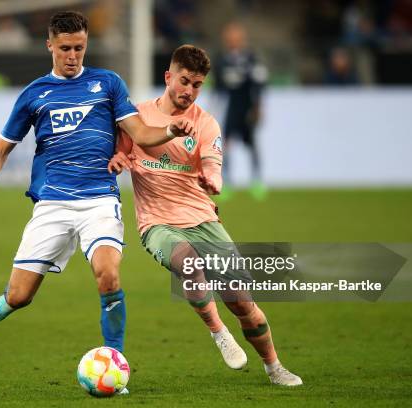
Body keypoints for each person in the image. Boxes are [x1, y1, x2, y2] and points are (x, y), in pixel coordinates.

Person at [0, 11, 194, 358]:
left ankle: (115, 359)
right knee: (22, 295)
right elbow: (2, 148)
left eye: (79, 48)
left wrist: (171, 129)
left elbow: (140, 133)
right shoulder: (34, 95)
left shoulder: (108, 83)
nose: (72, 56)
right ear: (49, 45)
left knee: (108, 275)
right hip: (52, 202)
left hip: (99, 199)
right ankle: (11, 299)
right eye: (65, 48)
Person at [108, 44, 302, 386]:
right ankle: (218, 332)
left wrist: (211, 180)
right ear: (169, 77)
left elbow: (214, 169)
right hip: (158, 224)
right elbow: (122, 150)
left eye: (197, 85)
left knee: (242, 302)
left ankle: (274, 367)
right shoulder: (137, 117)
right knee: (188, 264)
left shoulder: (206, 124)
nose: (189, 91)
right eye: (184, 81)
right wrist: (120, 160)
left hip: (203, 220)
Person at [214, 22, 268, 200]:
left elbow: (259, 83)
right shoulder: (222, 60)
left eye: (236, 37)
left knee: (251, 145)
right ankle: (227, 182)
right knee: (226, 145)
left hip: (247, 107)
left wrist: (258, 107)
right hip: (231, 107)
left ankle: (257, 182)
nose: (233, 41)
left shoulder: (251, 58)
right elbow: (219, 86)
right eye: (230, 38)